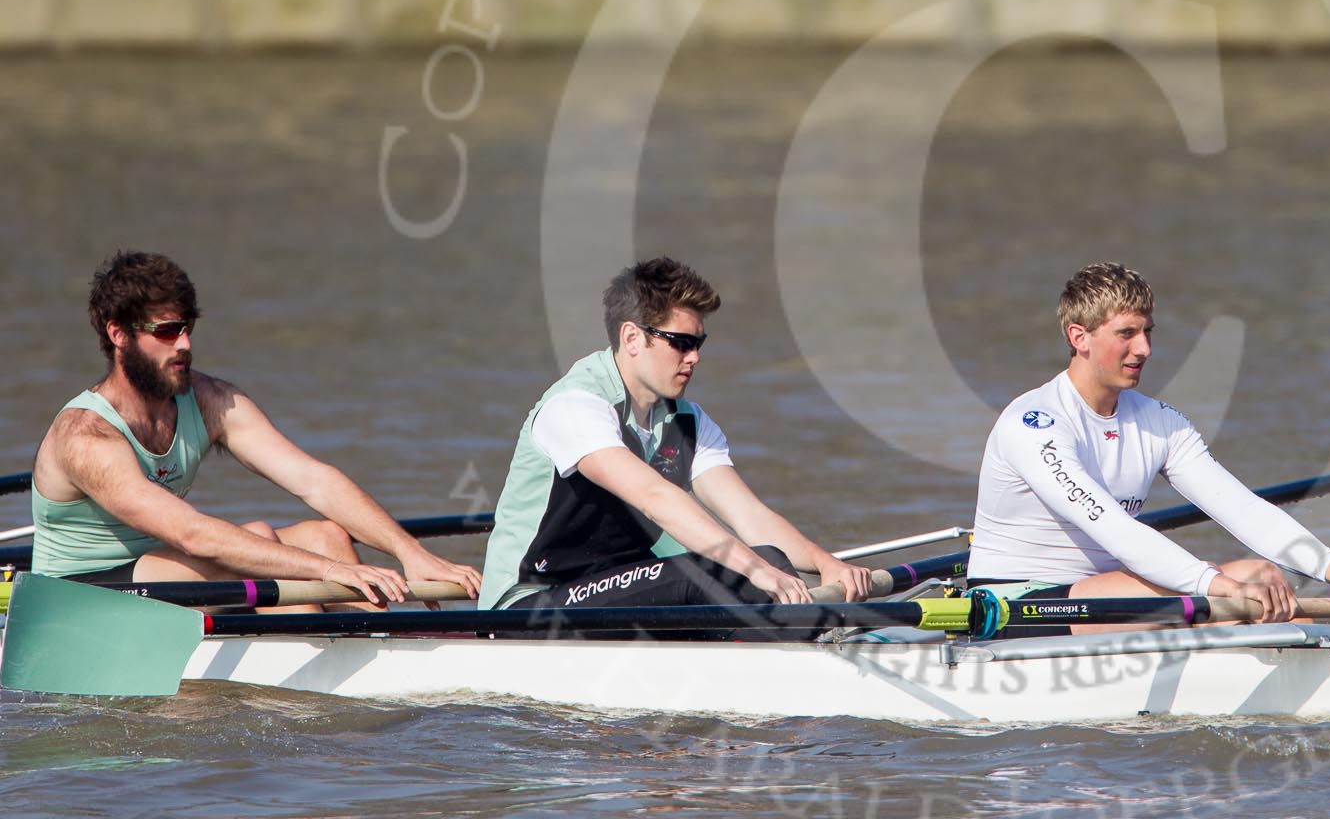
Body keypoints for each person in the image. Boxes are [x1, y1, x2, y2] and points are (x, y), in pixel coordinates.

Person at [30, 251, 483, 611]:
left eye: (187, 328)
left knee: (327, 536)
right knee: (262, 543)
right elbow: (194, 536)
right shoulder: (86, 436)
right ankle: (312, 687)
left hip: (165, 570)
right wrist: (325, 573)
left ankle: (379, 651)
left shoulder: (207, 400)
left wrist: (408, 552)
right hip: (79, 597)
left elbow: (313, 480)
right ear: (119, 335)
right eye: (167, 331)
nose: (185, 344)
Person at [967, 262, 1330, 631]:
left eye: (1148, 332)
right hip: (1016, 606)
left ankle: (1323, 683)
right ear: (1080, 337)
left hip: (1106, 591)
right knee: (1244, 589)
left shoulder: (1159, 421)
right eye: (1126, 333)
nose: (1145, 348)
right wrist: (1220, 587)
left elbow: (1244, 510)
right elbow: (1117, 532)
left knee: (1263, 577)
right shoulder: (1036, 424)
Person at [478, 257, 872, 612]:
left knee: (767, 555)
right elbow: (655, 497)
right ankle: (804, 649)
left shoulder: (688, 422)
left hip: (617, 588)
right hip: (530, 602)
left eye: (699, 343)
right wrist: (753, 569)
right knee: (698, 573)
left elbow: (748, 515)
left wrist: (826, 564)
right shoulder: (575, 406)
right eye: (681, 343)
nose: (695, 357)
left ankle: (810, 642)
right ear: (632, 338)